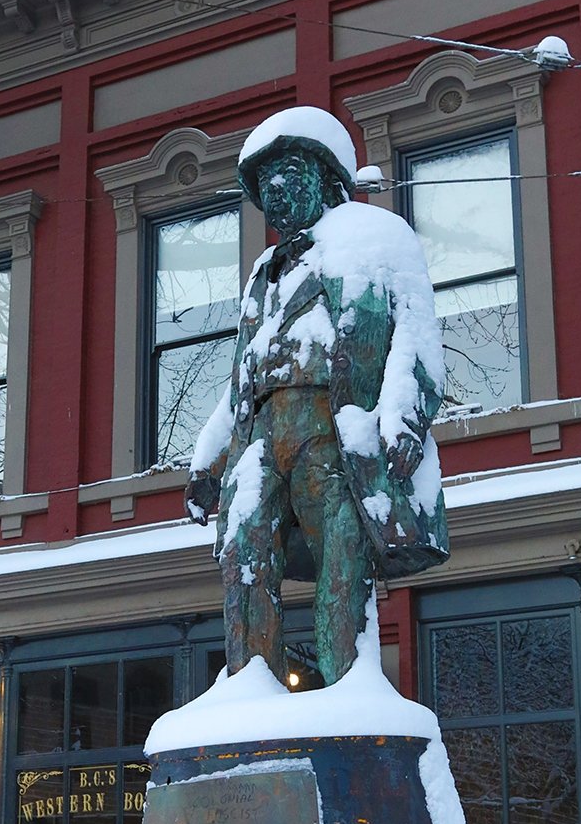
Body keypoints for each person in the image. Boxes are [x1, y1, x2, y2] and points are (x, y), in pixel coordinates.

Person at [185, 106, 449, 685]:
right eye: (264, 181)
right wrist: (209, 459)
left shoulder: (377, 238)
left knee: (341, 558)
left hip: (333, 424)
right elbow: (241, 374)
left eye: (290, 171)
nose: (275, 189)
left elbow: (417, 336)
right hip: (260, 434)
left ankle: (349, 688)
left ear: (327, 176)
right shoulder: (263, 272)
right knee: (242, 549)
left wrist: (405, 414)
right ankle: (250, 687)